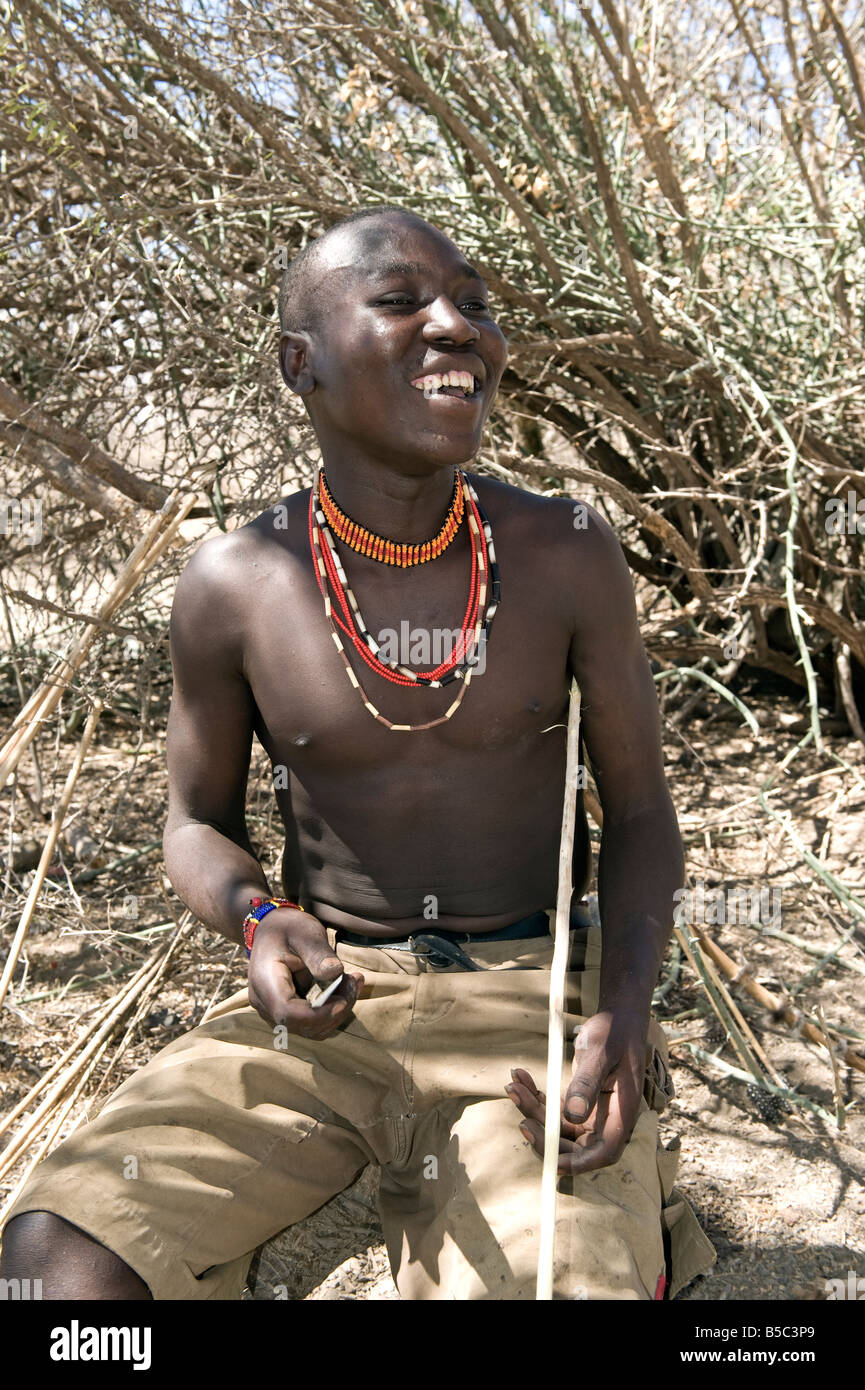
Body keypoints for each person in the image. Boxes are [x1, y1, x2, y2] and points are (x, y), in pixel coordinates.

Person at [0, 204, 714, 1300]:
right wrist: (255, 917)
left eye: (475, 304)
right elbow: (196, 823)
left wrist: (619, 1007)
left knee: (561, 1284)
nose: (456, 328)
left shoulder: (564, 552)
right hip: (329, 1010)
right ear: (301, 365)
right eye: (400, 301)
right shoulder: (234, 582)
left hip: (531, 1007)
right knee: (59, 1270)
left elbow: (643, 815)